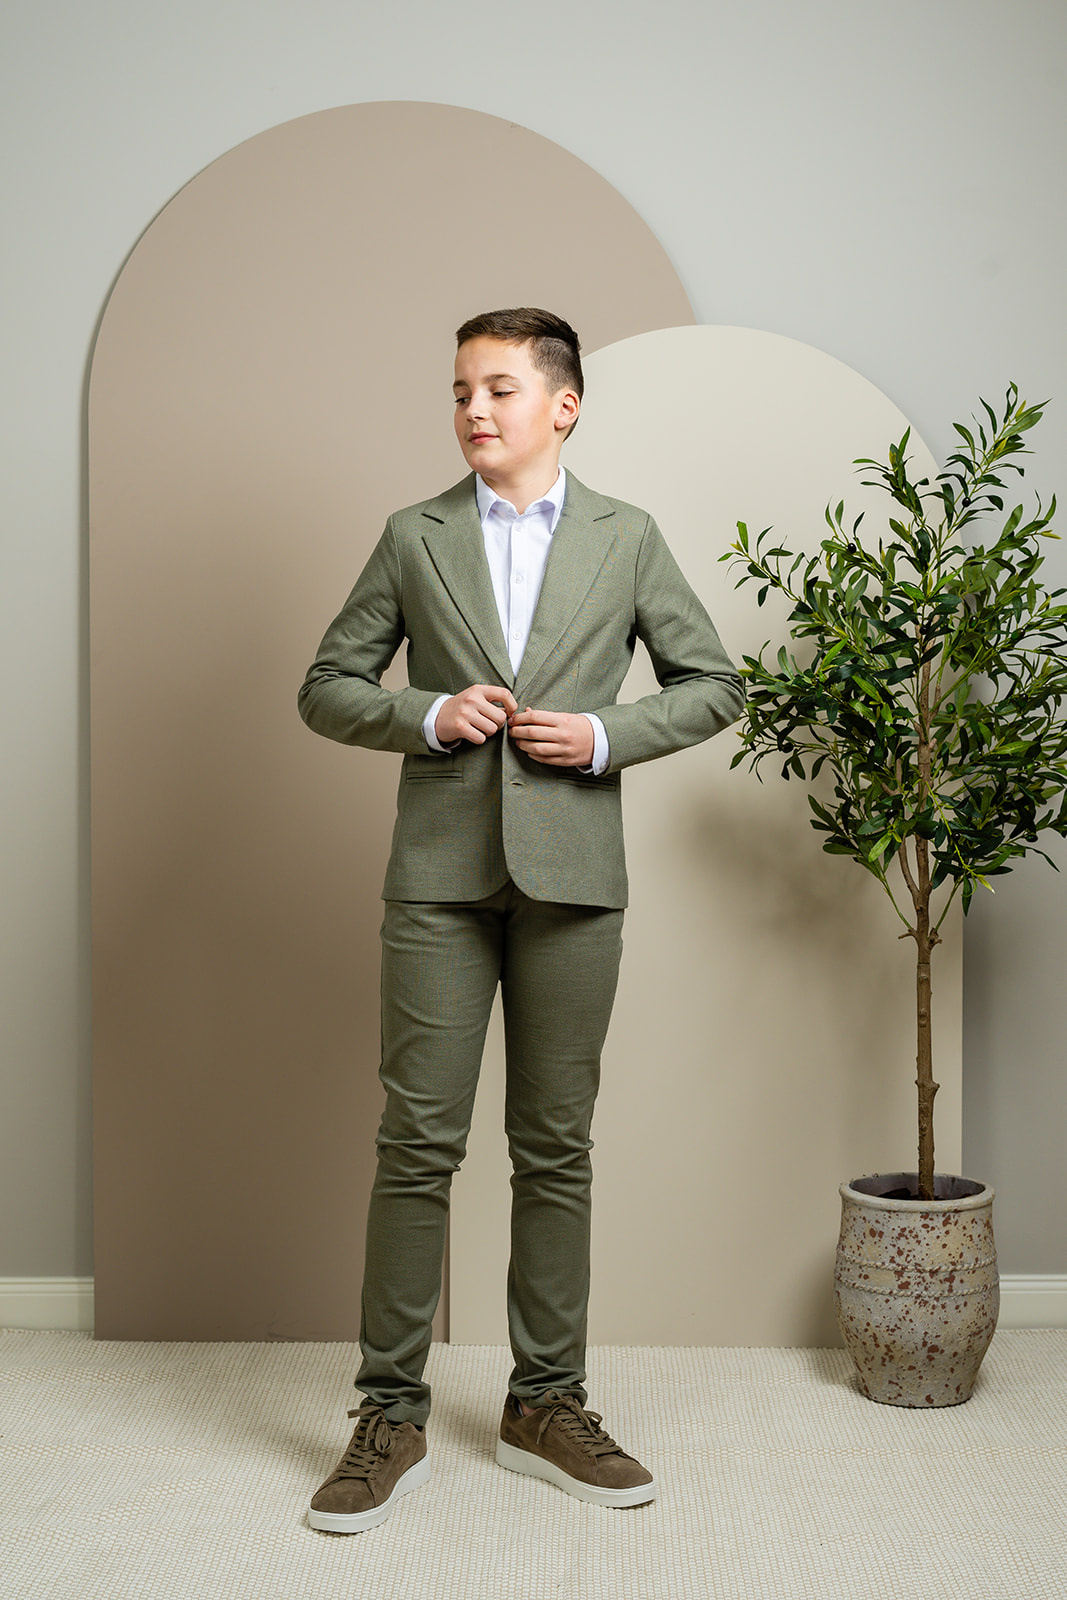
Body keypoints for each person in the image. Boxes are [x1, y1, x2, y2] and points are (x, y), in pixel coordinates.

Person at [297, 308, 743, 1533]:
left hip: (573, 882)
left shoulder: (624, 536)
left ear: (563, 404)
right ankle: (387, 1415)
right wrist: (426, 715)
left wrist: (600, 736)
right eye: (458, 391)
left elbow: (712, 684)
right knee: (416, 1144)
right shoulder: (414, 534)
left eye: (496, 388)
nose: (472, 410)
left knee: (554, 1149)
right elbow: (326, 686)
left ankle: (544, 1404)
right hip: (436, 883)